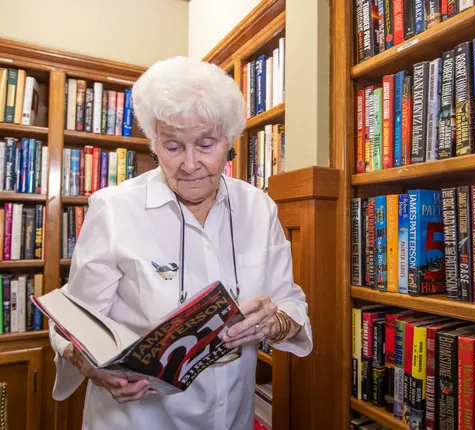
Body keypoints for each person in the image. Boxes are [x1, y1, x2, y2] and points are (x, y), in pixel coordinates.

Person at [48, 56, 313, 430]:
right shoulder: (114, 208)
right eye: (173, 146)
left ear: (229, 141)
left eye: (206, 144)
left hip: (232, 417)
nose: (190, 164)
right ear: (154, 144)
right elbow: (74, 322)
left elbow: (292, 305)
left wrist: (277, 323)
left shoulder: (258, 207)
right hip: (136, 420)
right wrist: (88, 363)